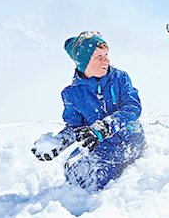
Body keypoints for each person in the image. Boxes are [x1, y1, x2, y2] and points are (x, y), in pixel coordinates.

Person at [31, 31, 145, 192]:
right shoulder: (72, 94)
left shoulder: (119, 78)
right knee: (72, 171)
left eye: (106, 54)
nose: (106, 59)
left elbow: (132, 107)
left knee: (91, 182)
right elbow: (76, 127)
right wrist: (60, 141)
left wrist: (105, 127)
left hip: (130, 139)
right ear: (83, 62)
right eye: (99, 56)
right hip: (103, 147)